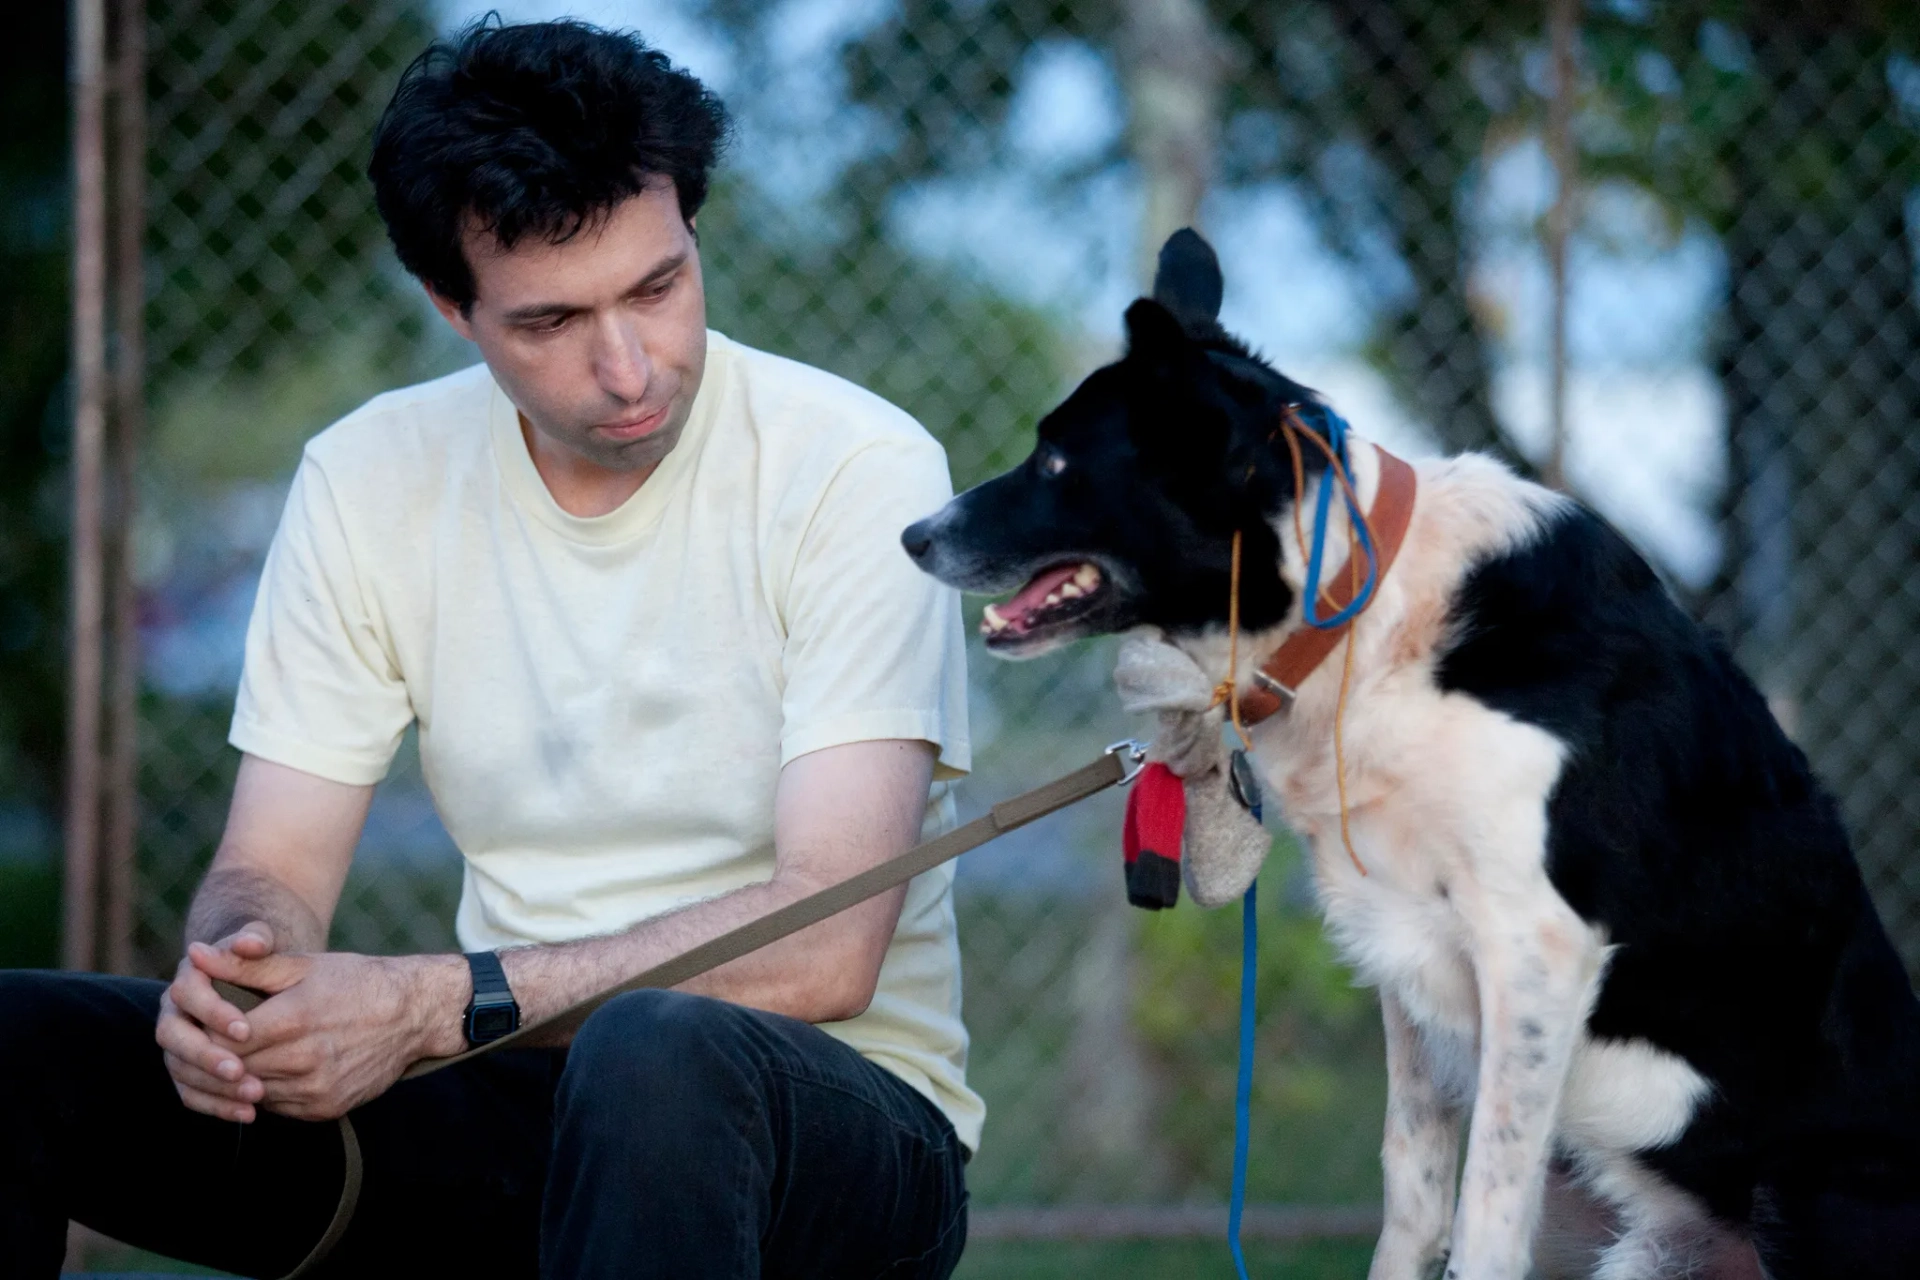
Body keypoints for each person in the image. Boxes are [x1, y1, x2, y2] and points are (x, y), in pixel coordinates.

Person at [0, 19, 977, 1280]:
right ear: (451, 309)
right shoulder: (367, 477)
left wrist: (421, 1003)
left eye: (658, 287)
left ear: (693, 234)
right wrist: (244, 982)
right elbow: (270, 866)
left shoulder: (856, 466)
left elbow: (827, 941)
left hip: (836, 1127)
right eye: (552, 320)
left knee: (654, 1048)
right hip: (509, 1097)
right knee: (19, 1042)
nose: (628, 366)